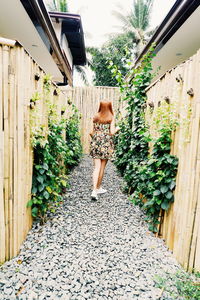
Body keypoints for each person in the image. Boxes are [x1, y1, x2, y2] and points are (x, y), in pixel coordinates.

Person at [89, 101, 118, 201]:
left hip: (96, 143)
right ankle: (97, 188)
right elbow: (112, 132)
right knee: (102, 167)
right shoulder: (111, 118)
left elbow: (91, 132)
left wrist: (97, 138)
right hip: (106, 144)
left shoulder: (95, 116)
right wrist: (118, 128)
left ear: (100, 107)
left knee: (96, 167)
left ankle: (94, 190)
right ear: (110, 107)